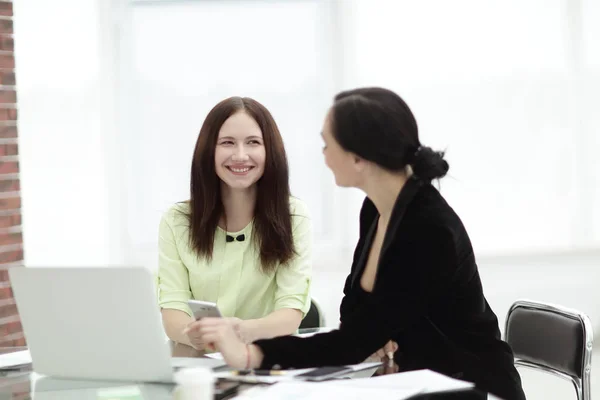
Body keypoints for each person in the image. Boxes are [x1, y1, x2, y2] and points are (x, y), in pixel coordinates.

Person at [188, 88, 526, 400]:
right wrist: (375, 334)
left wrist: (252, 354)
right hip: (413, 378)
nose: (323, 155)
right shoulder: (377, 209)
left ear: (358, 157)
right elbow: (355, 315)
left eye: (327, 144)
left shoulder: (428, 228)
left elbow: (353, 341)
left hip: (469, 387)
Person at [158, 96, 313, 351]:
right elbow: (172, 311)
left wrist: (237, 332)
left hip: (267, 364)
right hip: (200, 366)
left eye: (253, 142)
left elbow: (290, 312)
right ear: (210, 150)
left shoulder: (294, 216)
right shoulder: (177, 221)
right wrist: (191, 334)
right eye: (227, 143)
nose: (240, 155)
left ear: (269, 150)